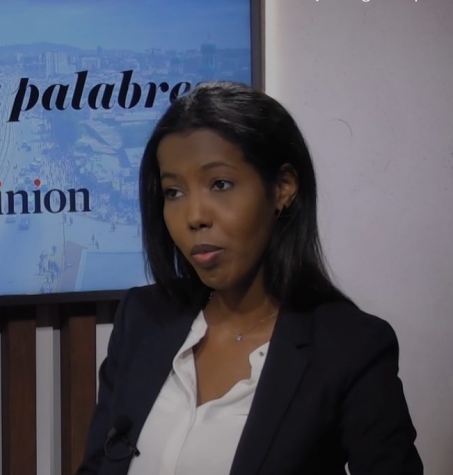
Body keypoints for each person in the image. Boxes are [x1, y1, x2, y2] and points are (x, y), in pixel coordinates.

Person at [77, 82, 422, 475]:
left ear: (283, 188)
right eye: (174, 192)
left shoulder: (349, 348)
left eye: (220, 184)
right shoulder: (142, 319)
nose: (194, 216)